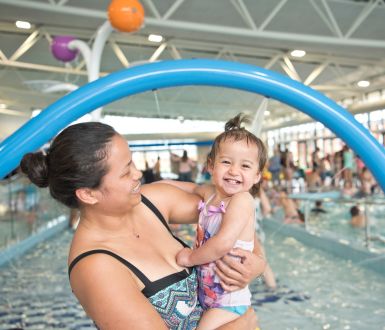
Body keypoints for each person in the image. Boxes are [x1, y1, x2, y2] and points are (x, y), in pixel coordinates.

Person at [19, 122, 263, 330]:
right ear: (88, 194)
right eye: (125, 173)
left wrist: (256, 263)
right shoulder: (96, 267)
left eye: (132, 162)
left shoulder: (150, 201)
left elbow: (230, 214)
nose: (138, 174)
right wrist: (240, 325)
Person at [175, 114, 267, 329]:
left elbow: (224, 243)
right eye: (226, 162)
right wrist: (152, 186)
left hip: (229, 302)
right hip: (211, 298)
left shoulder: (242, 200)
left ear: (257, 176)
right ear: (211, 166)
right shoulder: (210, 195)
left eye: (245, 166)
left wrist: (190, 258)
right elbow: (190, 187)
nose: (234, 171)